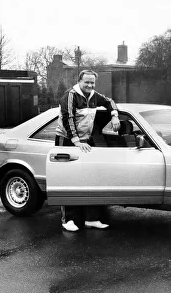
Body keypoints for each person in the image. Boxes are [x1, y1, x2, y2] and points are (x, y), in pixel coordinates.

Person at [55, 69, 120, 232]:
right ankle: (67, 219)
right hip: (67, 139)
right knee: (68, 180)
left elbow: (109, 101)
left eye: (92, 82)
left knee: (90, 178)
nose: (90, 85)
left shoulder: (94, 96)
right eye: (87, 82)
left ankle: (91, 219)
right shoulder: (70, 95)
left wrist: (114, 115)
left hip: (84, 140)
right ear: (79, 81)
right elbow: (67, 118)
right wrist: (76, 141)